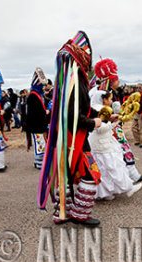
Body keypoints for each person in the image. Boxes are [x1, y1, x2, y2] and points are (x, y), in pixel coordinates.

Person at [38, 31, 103, 227]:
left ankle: (62, 213)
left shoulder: (70, 81)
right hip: (74, 138)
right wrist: (94, 123)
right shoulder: (75, 82)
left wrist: (100, 114)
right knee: (90, 174)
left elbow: (79, 108)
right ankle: (79, 214)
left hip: (67, 136)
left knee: (66, 174)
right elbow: (74, 116)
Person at [89, 90, 142, 200]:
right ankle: (127, 188)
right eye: (110, 99)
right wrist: (114, 122)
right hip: (102, 144)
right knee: (113, 167)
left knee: (102, 170)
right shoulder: (101, 110)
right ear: (104, 100)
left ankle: (105, 193)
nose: (111, 101)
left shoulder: (94, 108)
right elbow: (100, 128)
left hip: (99, 143)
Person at [26, 67, 48, 169]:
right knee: (40, 144)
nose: (43, 87)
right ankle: (39, 163)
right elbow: (33, 113)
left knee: (41, 143)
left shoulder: (39, 95)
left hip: (40, 124)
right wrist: (44, 112)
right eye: (41, 85)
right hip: (36, 124)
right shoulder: (32, 96)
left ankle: (39, 162)